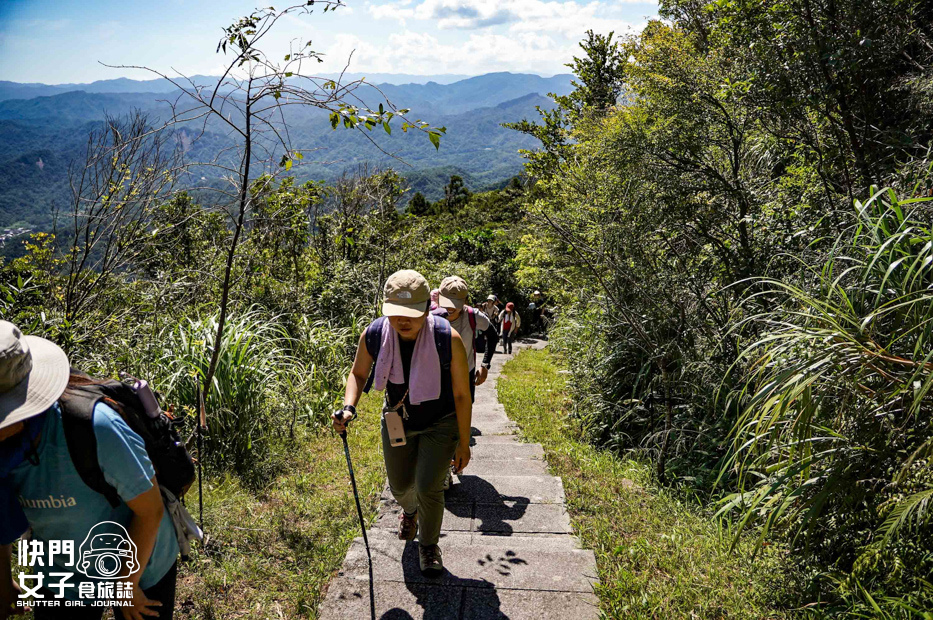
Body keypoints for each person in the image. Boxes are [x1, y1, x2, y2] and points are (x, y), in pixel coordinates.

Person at [0, 321, 180, 620]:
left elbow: (150, 510)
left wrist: (125, 585)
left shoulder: (95, 427)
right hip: (63, 575)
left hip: (141, 563)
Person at [332, 270, 472, 577]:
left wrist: (463, 443)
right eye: (395, 314)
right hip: (397, 417)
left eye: (410, 314)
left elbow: (462, 395)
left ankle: (429, 546)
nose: (402, 321)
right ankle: (410, 512)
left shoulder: (447, 338)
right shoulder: (374, 333)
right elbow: (358, 374)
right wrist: (348, 408)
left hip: (441, 422)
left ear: (426, 308)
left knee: (428, 487)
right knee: (399, 486)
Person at [436, 276, 498, 402]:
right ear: (439, 297)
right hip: (436, 376)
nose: (450, 308)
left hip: (465, 375)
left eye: (455, 303)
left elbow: (493, 336)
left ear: (464, 301)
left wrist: (485, 365)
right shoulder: (429, 318)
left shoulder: (473, 316)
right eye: (447, 302)